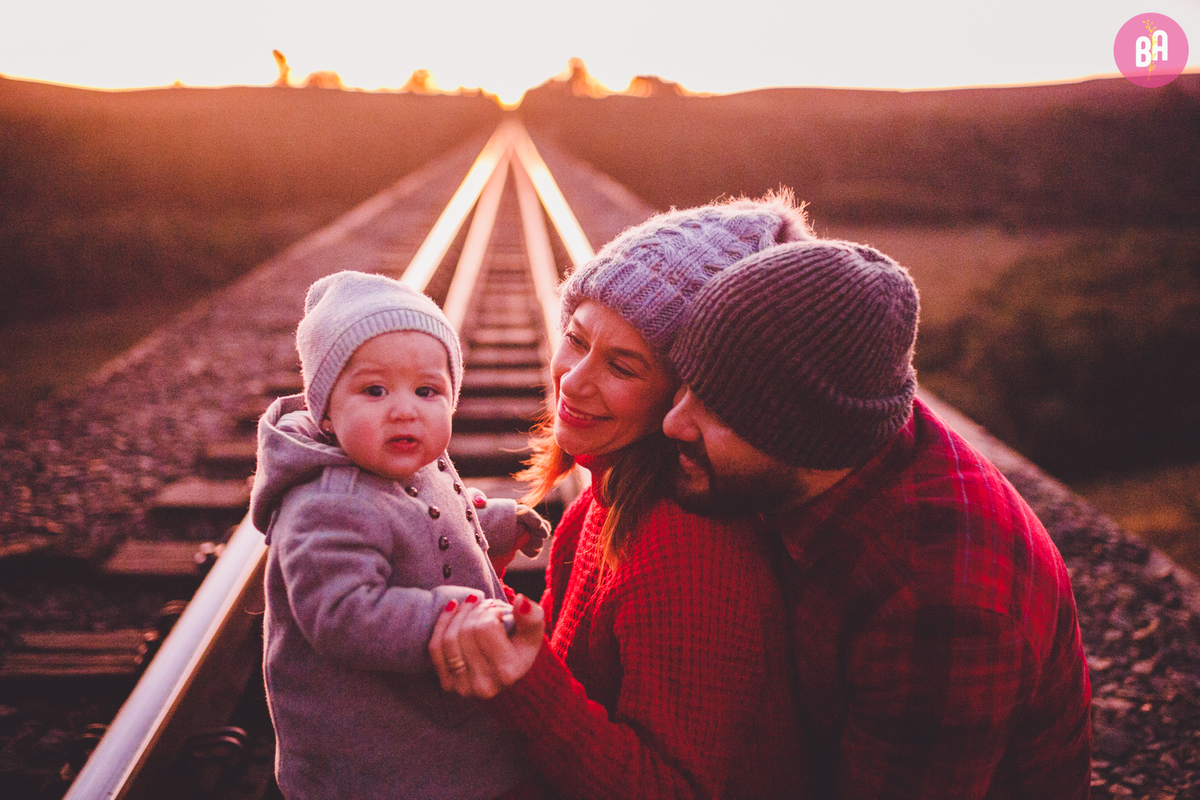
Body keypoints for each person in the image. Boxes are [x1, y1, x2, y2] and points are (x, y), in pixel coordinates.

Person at [661, 239, 1093, 798]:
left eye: (716, 407)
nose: (673, 422)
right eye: (684, 382)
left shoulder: (938, 599)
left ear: (803, 434)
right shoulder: (846, 437)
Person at [430, 196, 813, 799]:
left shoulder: (687, 547)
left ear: (686, 397)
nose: (574, 380)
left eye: (624, 367)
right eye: (577, 340)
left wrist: (524, 680)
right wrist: (481, 581)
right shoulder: (603, 504)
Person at [248, 270, 549, 800]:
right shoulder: (328, 503)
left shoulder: (413, 462)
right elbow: (341, 614)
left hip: (431, 725)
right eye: (375, 389)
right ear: (325, 410)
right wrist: (445, 614)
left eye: (427, 389)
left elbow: (436, 520)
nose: (405, 408)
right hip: (370, 755)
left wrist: (497, 523)